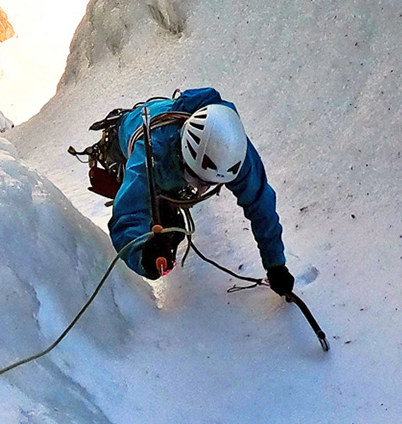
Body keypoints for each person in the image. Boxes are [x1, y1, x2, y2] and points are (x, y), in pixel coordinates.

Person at [90, 88, 293, 296]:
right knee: (167, 230)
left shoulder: (233, 149)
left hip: (168, 149)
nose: (202, 189)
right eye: (198, 179)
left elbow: (261, 205)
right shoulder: (150, 154)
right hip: (127, 135)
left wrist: (276, 265)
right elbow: (128, 213)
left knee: (170, 228)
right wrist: (144, 254)